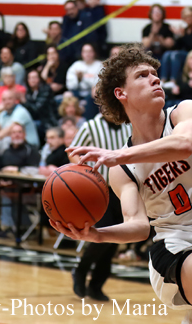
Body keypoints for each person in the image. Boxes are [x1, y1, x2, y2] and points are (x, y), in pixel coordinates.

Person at [56, 44, 192, 324]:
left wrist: (118, 155)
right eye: (142, 75)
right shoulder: (122, 168)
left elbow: (183, 145)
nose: (155, 79)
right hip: (173, 249)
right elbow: (138, 226)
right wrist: (97, 235)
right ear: (121, 93)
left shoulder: (184, 112)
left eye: (155, 74)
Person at [68, 112, 132, 302]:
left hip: (123, 190)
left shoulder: (128, 126)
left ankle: (96, 285)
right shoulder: (90, 126)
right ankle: (81, 270)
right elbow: (73, 153)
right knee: (103, 235)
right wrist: (88, 173)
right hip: (100, 190)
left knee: (114, 239)